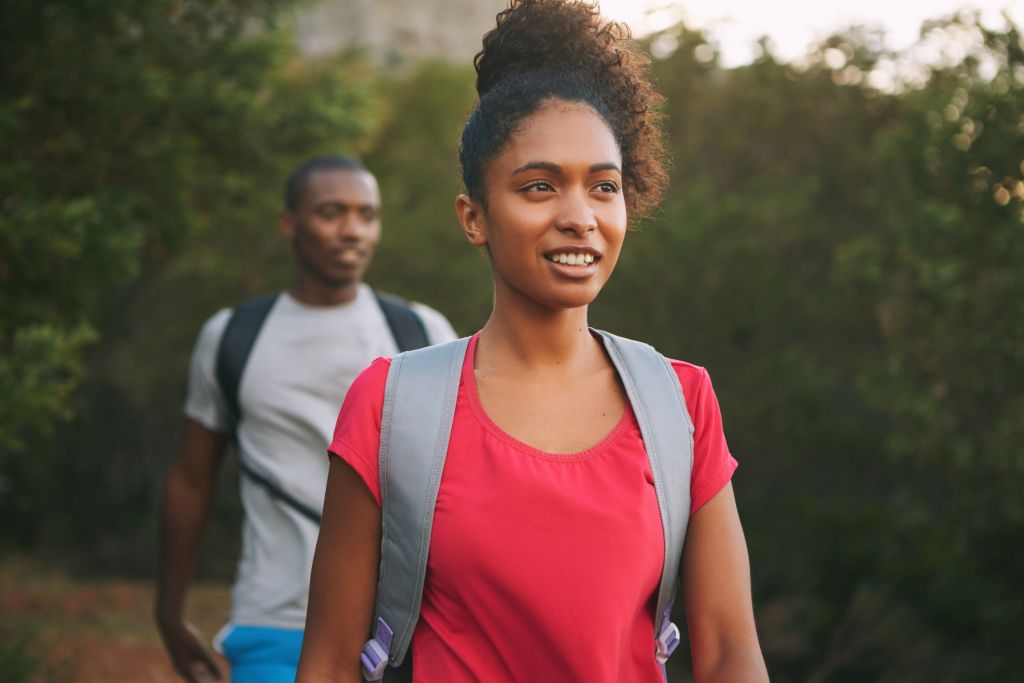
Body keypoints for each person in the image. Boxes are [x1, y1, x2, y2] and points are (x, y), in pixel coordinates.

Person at [296, 1, 770, 681]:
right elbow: (331, 661)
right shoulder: (392, 404)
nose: (579, 217)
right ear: (475, 216)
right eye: (539, 186)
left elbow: (729, 653)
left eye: (603, 187)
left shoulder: (680, 402)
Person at [155, 155, 458, 683]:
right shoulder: (232, 336)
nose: (352, 230)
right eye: (331, 213)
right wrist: (169, 608)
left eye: (367, 215)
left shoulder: (421, 333)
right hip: (273, 624)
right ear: (290, 225)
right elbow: (191, 478)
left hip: (397, 630)